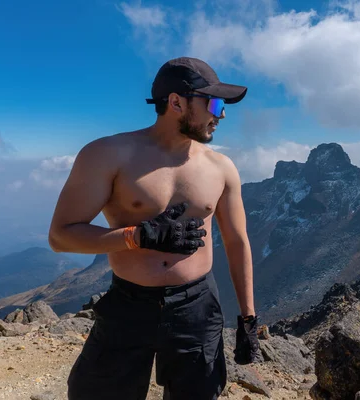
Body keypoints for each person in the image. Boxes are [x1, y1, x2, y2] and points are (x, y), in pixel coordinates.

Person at [48, 56, 260, 400]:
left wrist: (248, 318)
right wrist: (135, 237)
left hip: (198, 306)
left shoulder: (222, 168)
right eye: (214, 103)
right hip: (129, 304)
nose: (221, 115)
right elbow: (60, 236)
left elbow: (237, 242)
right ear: (176, 102)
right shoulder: (107, 154)